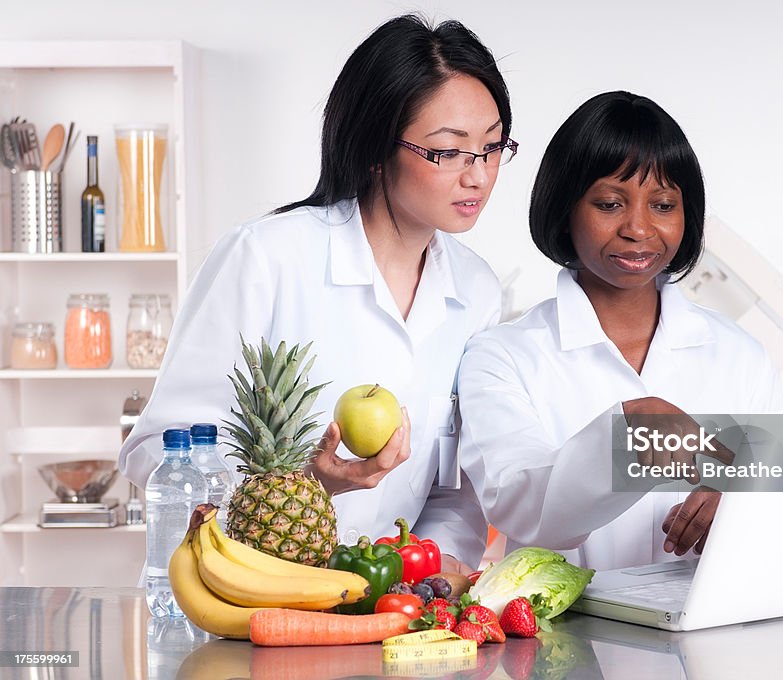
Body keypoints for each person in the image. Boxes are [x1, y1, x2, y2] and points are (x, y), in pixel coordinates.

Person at [119, 14, 518, 571]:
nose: (478, 176)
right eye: (448, 152)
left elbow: (454, 492)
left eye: (493, 148)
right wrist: (305, 485)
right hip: (248, 598)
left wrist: (430, 571)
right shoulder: (266, 256)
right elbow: (157, 453)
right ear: (377, 149)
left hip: (384, 609)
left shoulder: (475, 289)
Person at [457, 91, 783, 571]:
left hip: (709, 632)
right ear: (565, 209)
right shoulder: (502, 355)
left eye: (664, 204)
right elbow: (523, 509)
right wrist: (624, 433)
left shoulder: (741, 356)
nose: (639, 228)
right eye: (610, 203)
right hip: (564, 640)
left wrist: (740, 506)